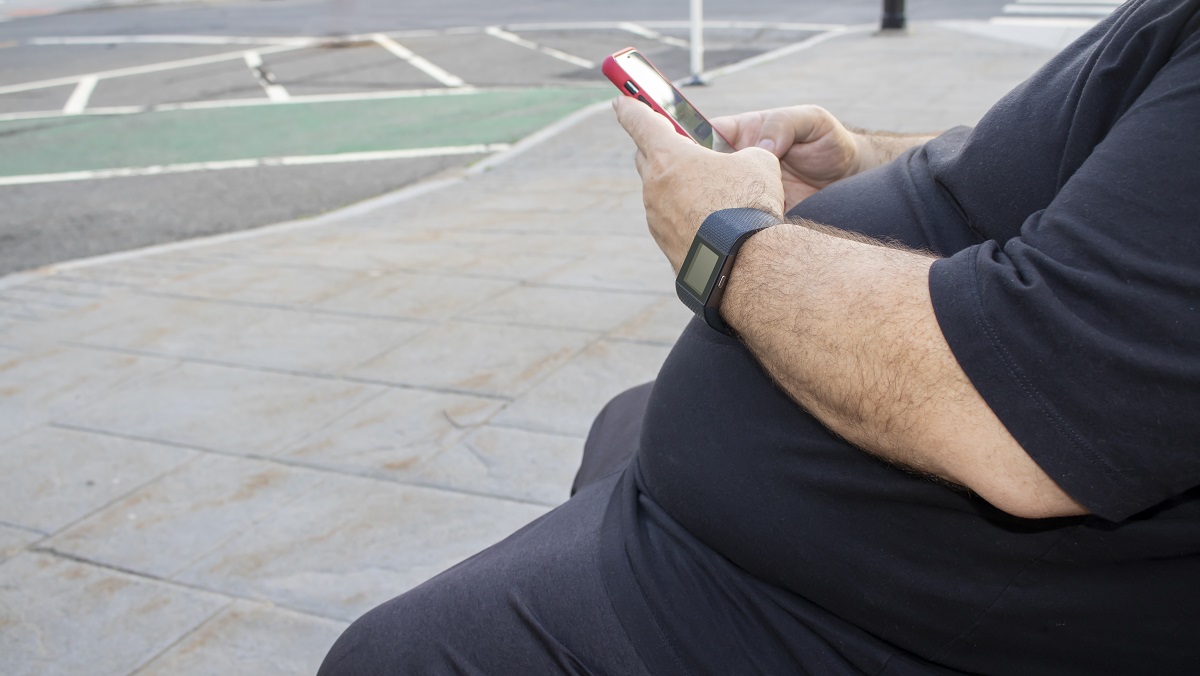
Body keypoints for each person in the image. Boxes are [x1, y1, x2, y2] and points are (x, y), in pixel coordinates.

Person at [319, 0, 1200, 672]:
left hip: (844, 611)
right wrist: (862, 160)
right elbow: (1110, 173)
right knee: (621, 423)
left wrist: (726, 239)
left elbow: (1023, 418)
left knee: (395, 655)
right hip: (759, 537)